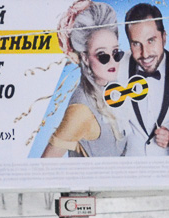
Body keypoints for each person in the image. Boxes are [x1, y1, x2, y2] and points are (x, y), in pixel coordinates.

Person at [43, 1, 128, 158]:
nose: (112, 61)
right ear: (85, 58)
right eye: (102, 55)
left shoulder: (112, 89)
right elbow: (44, 165)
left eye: (116, 52)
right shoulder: (81, 110)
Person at [121, 3, 169, 156]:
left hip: (167, 169)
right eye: (136, 44)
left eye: (151, 40)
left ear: (163, 38)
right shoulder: (115, 66)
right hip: (128, 169)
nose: (145, 53)